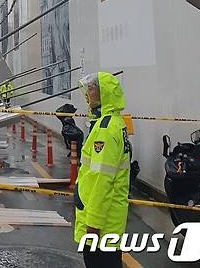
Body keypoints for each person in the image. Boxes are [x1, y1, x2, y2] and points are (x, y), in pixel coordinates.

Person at [73, 72, 131, 268]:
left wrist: (93, 225)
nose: (87, 94)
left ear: (103, 93)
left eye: (91, 89)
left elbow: (101, 181)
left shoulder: (105, 130)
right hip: (108, 223)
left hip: (101, 226)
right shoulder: (113, 123)